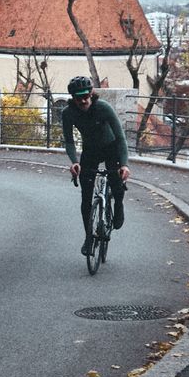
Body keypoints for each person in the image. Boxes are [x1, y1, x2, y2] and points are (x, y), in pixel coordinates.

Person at [61, 75, 130, 255]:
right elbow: (69, 141)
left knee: (116, 183)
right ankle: (89, 237)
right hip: (90, 150)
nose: (83, 100)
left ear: (91, 93)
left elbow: (121, 138)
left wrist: (124, 164)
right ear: (73, 98)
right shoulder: (68, 113)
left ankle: (119, 204)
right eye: (78, 97)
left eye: (86, 95)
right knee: (86, 196)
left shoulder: (103, 108)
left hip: (111, 147)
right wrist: (74, 162)